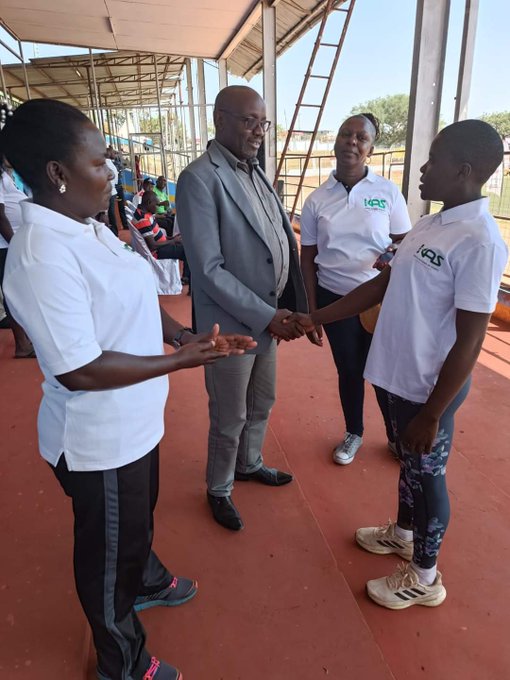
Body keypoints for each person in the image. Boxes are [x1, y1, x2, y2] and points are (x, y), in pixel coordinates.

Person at [2, 98, 256, 679]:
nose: (112, 174)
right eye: (99, 163)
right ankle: (120, 660)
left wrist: (185, 336)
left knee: (137, 521)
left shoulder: (87, 228)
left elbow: (136, 296)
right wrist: (179, 363)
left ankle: (145, 578)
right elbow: (79, 369)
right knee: (105, 553)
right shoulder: (42, 254)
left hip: (135, 421)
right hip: (98, 440)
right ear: (57, 174)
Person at [286, 120, 508, 610]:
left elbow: (471, 341)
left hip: (430, 387)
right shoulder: (431, 224)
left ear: (465, 171)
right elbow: (379, 286)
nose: (423, 170)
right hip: (397, 375)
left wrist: (433, 412)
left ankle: (425, 577)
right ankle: (403, 534)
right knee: (409, 469)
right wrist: (315, 316)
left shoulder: (479, 240)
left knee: (427, 479)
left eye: (434, 161)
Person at [176, 85, 308, 532]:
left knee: (262, 401)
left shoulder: (255, 172)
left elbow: (281, 245)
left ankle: (249, 464)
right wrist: (268, 315)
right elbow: (208, 269)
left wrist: (293, 308)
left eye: (263, 122)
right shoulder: (200, 178)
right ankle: (219, 488)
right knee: (228, 414)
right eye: (249, 120)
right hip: (232, 323)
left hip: (268, 319)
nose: (258, 131)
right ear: (219, 118)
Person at [300, 113, 411, 466]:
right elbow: (308, 260)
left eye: (360, 137)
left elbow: (403, 242)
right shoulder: (317, 199)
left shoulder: (387, 192)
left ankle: (395, 438)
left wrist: (390, 253)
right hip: (336, 299)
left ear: (370, 148)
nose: (352, 141)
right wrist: (312, 312)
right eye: (346, 134)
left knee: (382, 372)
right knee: (349, 369)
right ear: (336, 141)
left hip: (378, 298)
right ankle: (354, 433)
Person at [0, 155, 34, 358]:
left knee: (18, 291)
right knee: (13, 293)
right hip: (4, 245)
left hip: (10, 242)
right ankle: (22, 344)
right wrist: (15, 244)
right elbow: (0, 215)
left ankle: (25, 340)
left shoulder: (7, 176)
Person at [132, 189, 191, 283]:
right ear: (149, 203)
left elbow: (156, 236)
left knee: (184, 244)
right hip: (157, 251)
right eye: (157, 205)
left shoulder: (142, 213)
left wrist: (171, 238)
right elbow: (152, 245)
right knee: (187, 250)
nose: (157, 208)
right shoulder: (143, 220)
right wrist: (173, 241)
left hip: (160, 245)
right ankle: (187, 278)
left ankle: (186, 276)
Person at [105, 148, 119, 235]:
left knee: (110, 214)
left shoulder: (109, 163)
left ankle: (114, 233)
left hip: (111, 191)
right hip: (109, 192)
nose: (115, 154)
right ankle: (114, 233)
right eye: (113, 152)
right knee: (110, 215)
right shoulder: (107, 163)